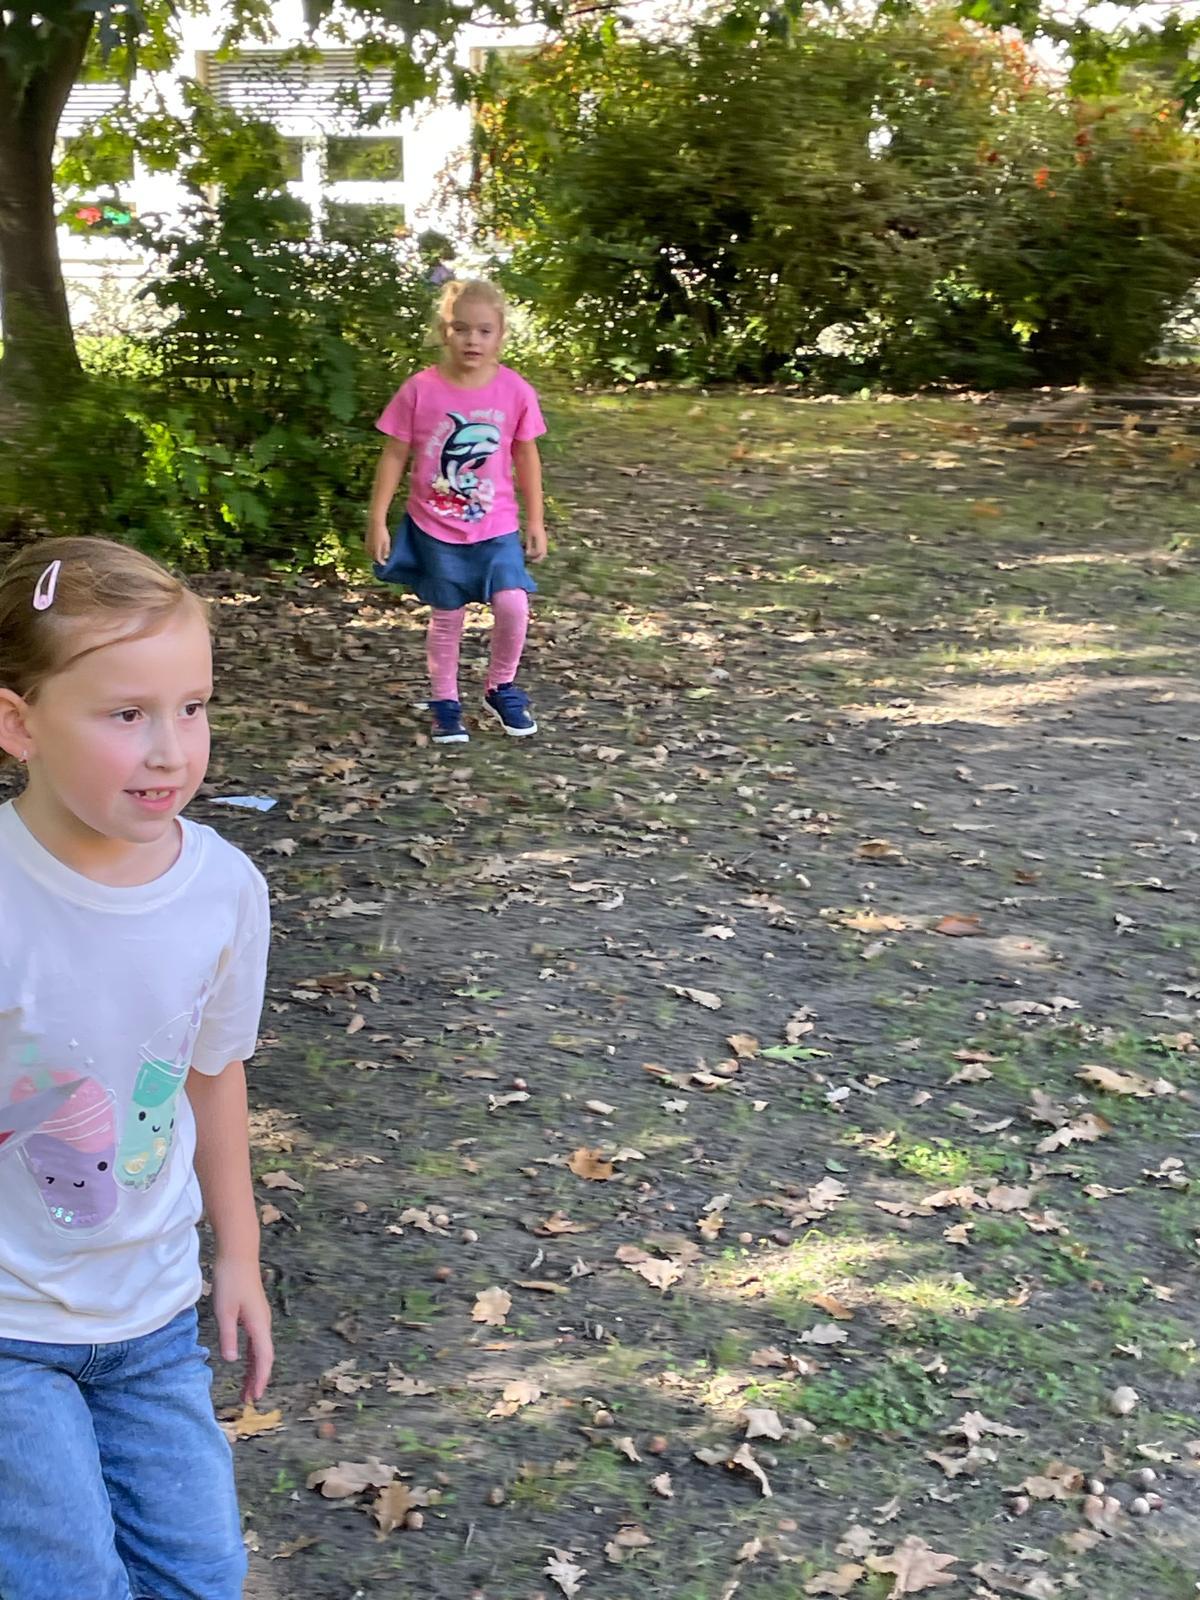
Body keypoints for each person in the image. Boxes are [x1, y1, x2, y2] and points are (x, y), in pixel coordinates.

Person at [0, 536, 272, 1600]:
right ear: (18, 722)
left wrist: (239, 1256)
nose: (170, 751)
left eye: (192, 708)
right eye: (126, 714)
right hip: (9, 1330)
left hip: (153, 1317)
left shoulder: (225, 891)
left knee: (203, 1573)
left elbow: (212, 1072)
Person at [367, 277, 548, 743]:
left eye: (485, 331)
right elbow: (394, 454)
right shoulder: (419, 389)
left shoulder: (514, 390)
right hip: (435, 526)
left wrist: (536, 520)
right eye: (461, 328)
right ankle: (445, 702)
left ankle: (500, 686)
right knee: (447, 616)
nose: (473, 340)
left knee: (513, 603)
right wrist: (377, 519)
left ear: (500, 335)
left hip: (496, 525)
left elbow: (526, 455)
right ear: (443, 331)